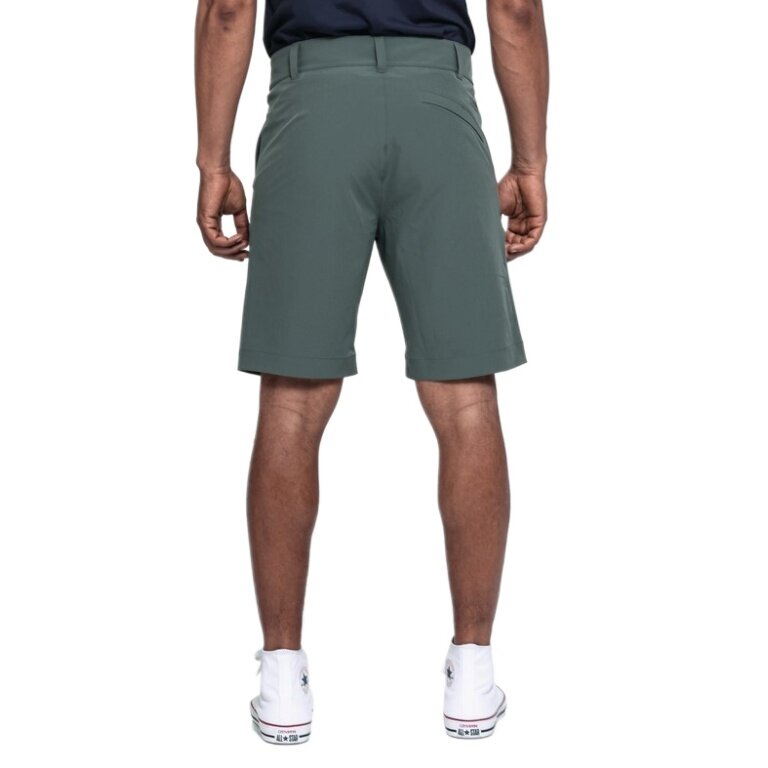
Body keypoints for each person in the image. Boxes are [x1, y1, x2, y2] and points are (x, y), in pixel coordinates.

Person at [194, 0, 548, 744]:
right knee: (465, 397)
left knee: (292, 401)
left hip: (312, 107)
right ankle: (473, 672)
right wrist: (530, 162)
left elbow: (227, 10)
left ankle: (282, 680)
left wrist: (213, 161)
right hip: (438, 105)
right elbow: (515, 9)